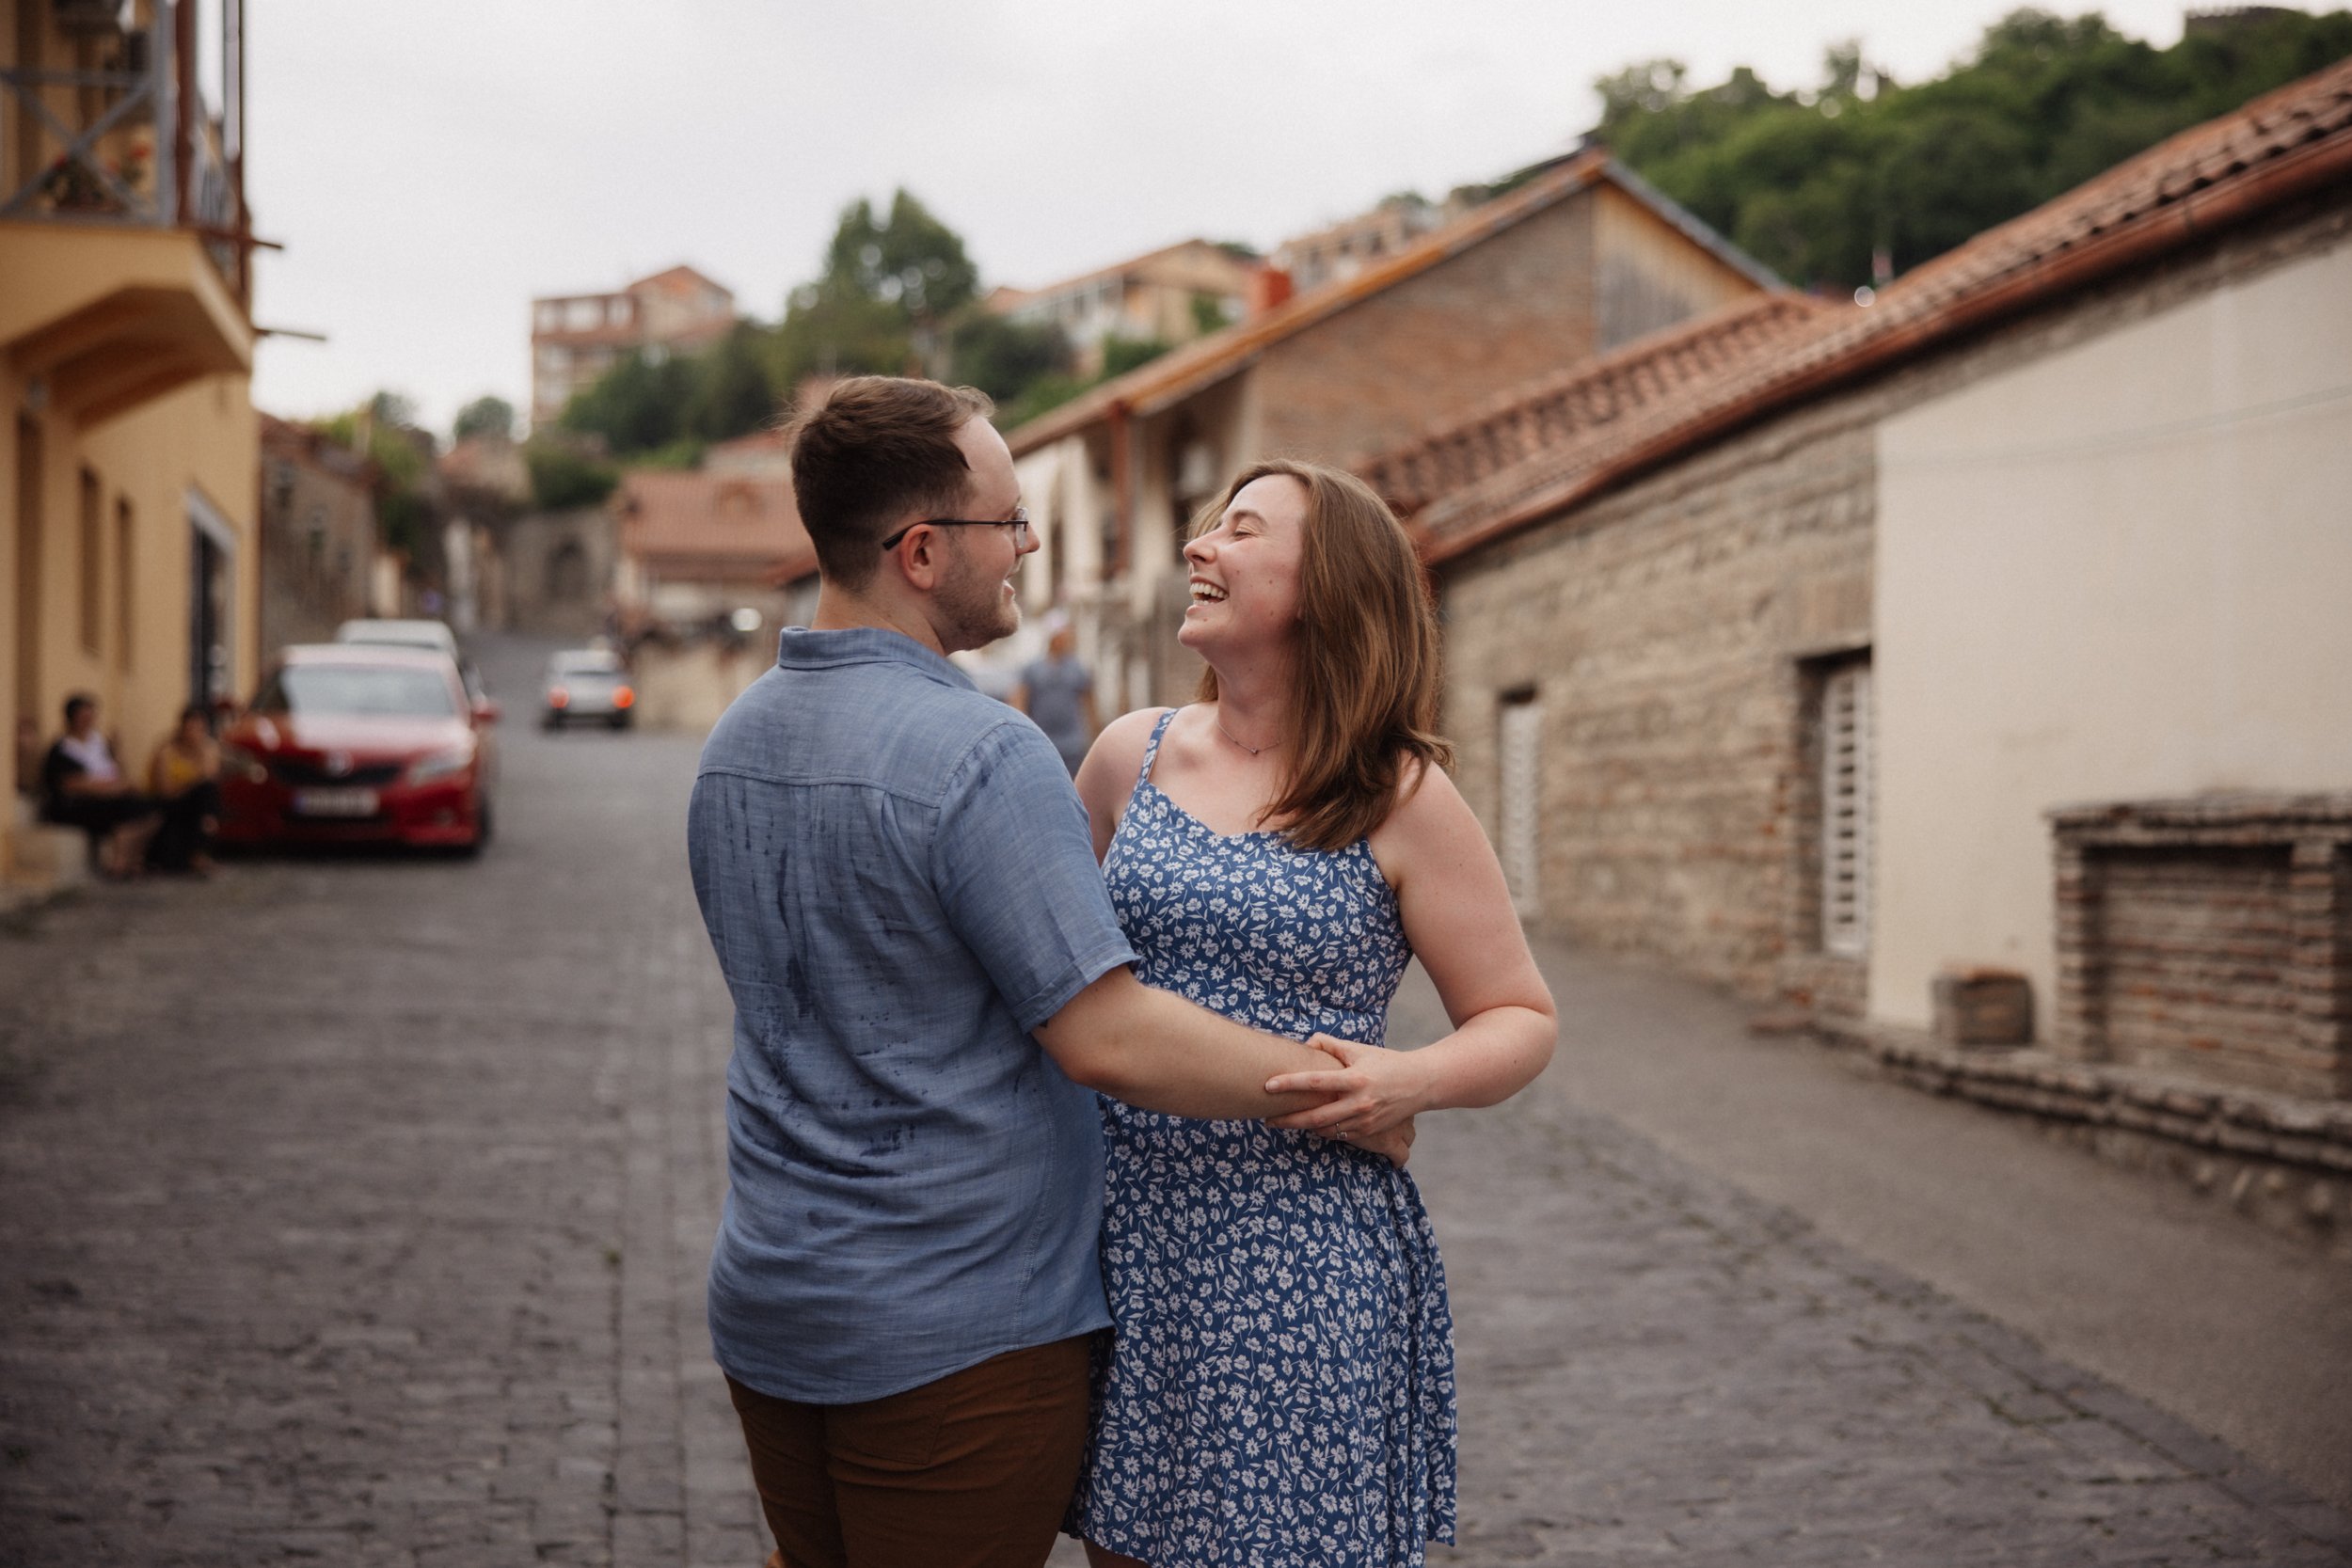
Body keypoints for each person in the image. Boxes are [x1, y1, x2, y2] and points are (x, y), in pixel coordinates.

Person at [685, 377, 1402, 1568]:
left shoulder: (733, 744)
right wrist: (1339, 1086)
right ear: (920, 551)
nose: (1024, 545)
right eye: (1006, 522)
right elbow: (1105, 1034)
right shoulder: (982, 752)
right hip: (955, 1326)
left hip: (771, 1296)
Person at [1065, 460, 1559, 1568]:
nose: (1200, 546)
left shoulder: (1401, 795)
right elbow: (1062, 989)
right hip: (1122, 1238)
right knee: (1126, 1546)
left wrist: (1412, 1077)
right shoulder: (1123, 758)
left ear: (1324, 589)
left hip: (1300, 1254)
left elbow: (1520, 1012)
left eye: (1239, 530)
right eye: (1206, 523)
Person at [38, 694, 160, 878]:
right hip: (76, 806)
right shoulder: (62, 749)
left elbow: (116, 772)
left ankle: (132, 861)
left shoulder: (98, 743)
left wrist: (118, 754)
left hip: (106, 799)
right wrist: (112, 789)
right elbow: (72, 785)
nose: (89, 721)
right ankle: (119, 863)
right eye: (84, 717)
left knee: (148, 809)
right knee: (127, 810)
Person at [1010, 617, 1097, 776]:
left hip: (1072, 743)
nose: (1066, 640)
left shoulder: (1077, 668)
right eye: (1062, 635)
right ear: (1052, 637)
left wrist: (1094, 734)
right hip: (1043, 740)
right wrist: (1024, 729)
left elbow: (1089, 702)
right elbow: (1019, 699)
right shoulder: (1033, 668)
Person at [146, 705, 222, 874]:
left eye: (199, 728)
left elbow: (210, 777)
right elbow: (165, 791)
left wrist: (201, 754)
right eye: (191, 728)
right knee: (205, 796)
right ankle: (199, 853)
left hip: (193, 805)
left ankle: (201, 847)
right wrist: (190, 785)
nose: (194, 733)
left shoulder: (207, 749)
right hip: (167, 803)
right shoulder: (167, 751)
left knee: (206, 798)